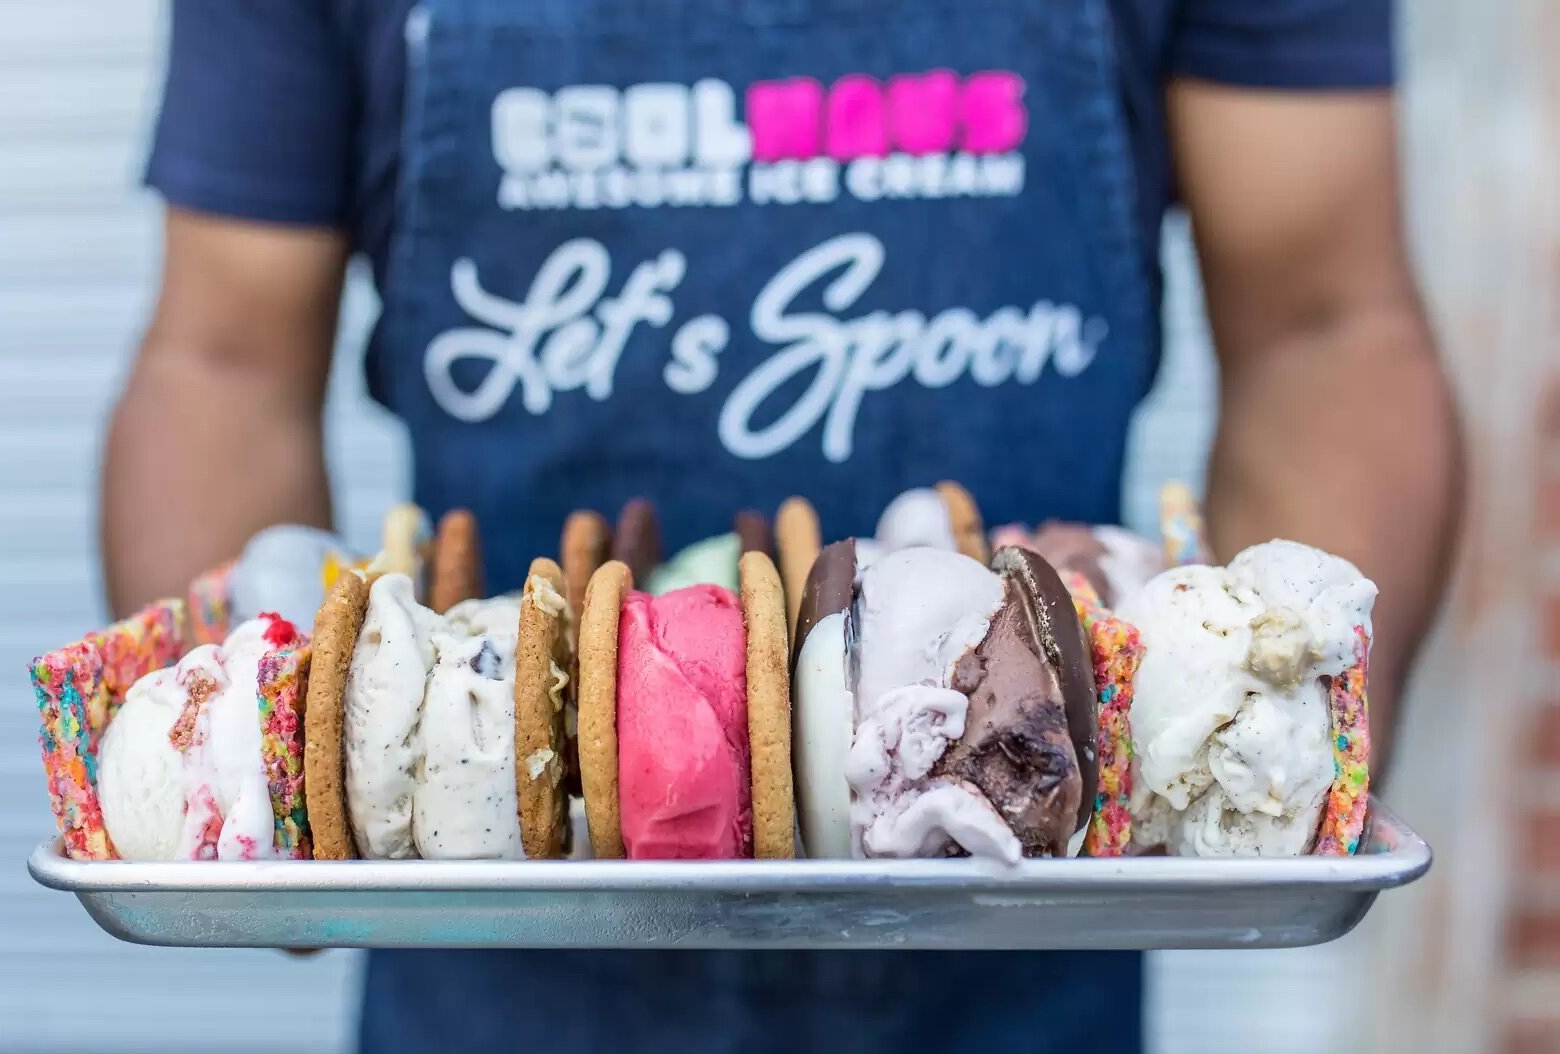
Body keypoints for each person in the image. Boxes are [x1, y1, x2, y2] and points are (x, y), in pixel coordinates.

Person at [102, 1, 1459, 1051]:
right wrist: (256, 795)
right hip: (490, 939)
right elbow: (224, 361)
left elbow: (1323, 326)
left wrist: (1276, 745)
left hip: (1022, 940)